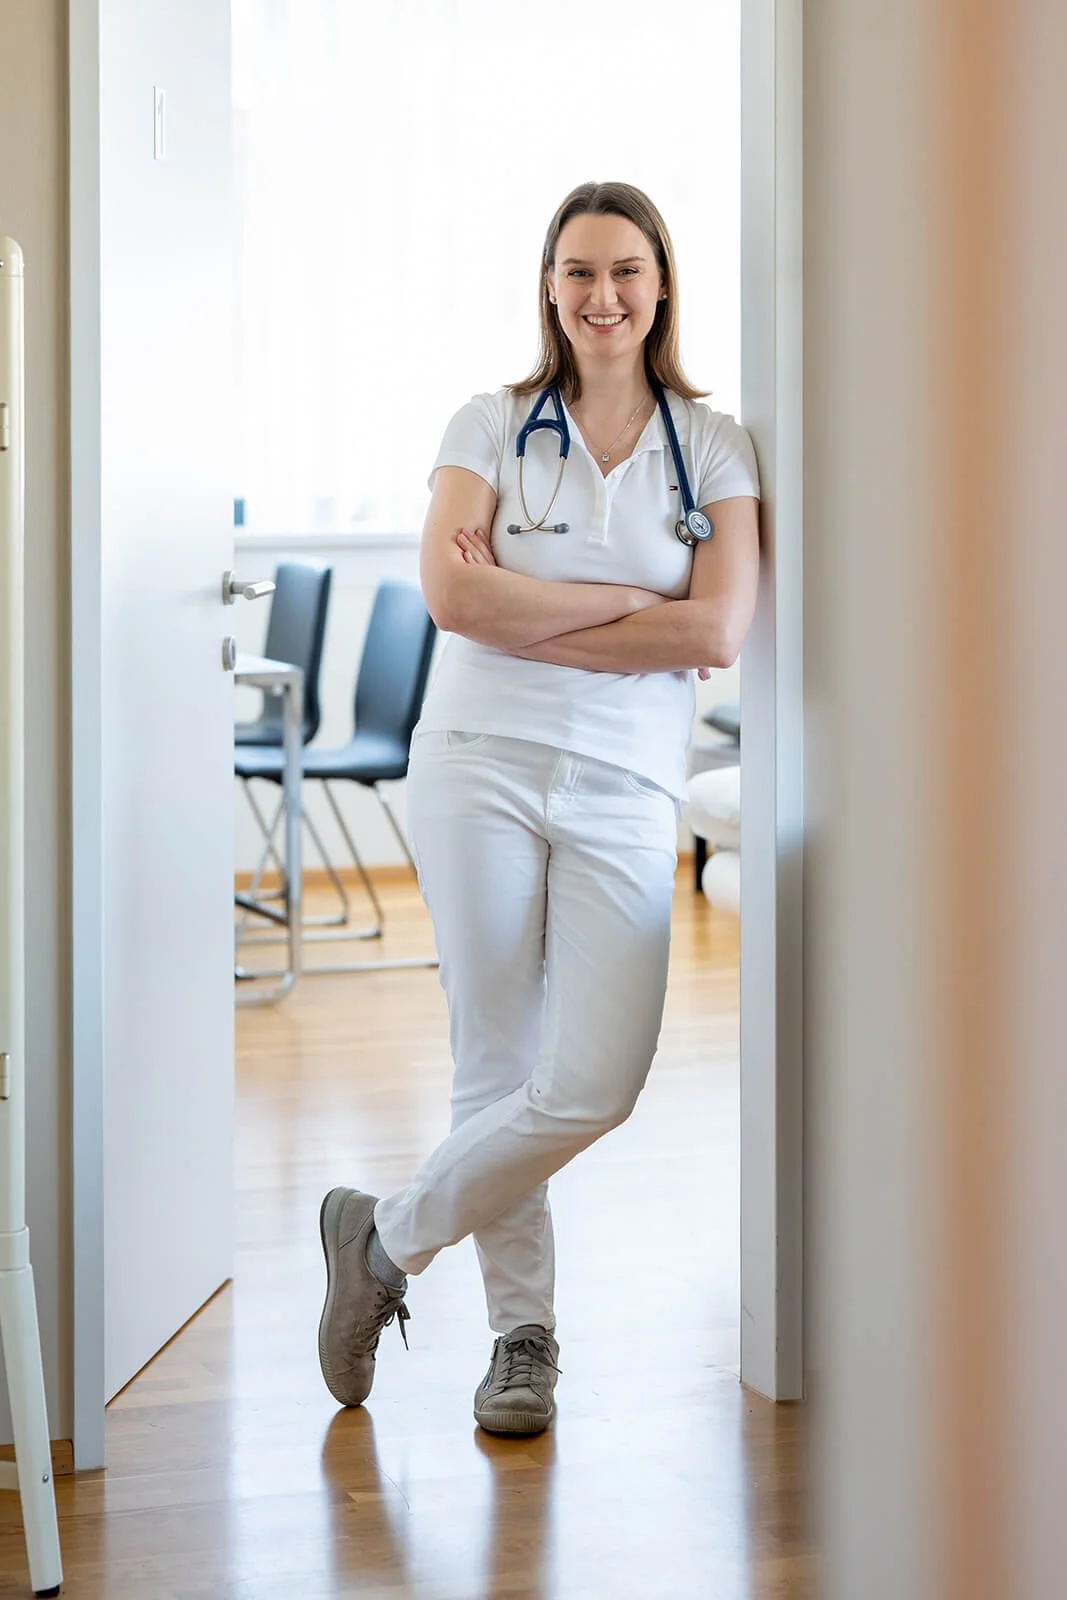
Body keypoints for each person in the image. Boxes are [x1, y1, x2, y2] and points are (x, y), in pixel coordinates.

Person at [316, 181, 760, 1437]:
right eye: (576, 270)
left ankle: (379, 1240)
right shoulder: (490, 423)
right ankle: (524, 1338)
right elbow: (455, 607)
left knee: (596, 1080)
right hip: (477, 762)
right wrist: (632, 620)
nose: (600, 295)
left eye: (624, 270)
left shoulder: (710, 444)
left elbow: (718, 629)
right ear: (547, 285)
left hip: (627, 783)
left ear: (661, 283)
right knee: (494, 1059)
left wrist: (531, 597)